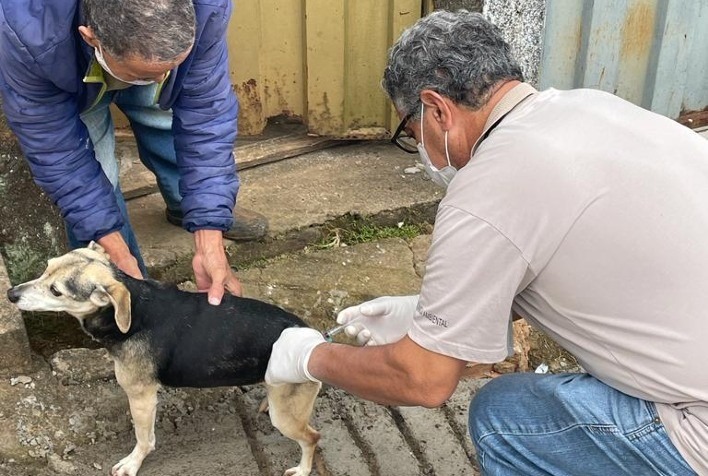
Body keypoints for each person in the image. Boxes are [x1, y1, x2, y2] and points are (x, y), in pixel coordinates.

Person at [265, 10, 707, 476]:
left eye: (411, 134)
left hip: (698, 426)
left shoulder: (488, 187)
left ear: (437, 110)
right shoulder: (593, 107)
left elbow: (424, 380)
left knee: (505, 417)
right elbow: (582, 257)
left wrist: (309, 357)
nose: (421, 149)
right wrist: (427, 313)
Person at [0, 0, 268, 305]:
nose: (160, 81)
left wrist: (210, 234)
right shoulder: (27, 33)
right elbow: (56, 149)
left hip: (127, 50)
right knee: (99, 162)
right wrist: (112, 251)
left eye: (169, 67)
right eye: (146, 73)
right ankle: (127, 283)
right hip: (59, 59)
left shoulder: (208, 7)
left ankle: (190, 208)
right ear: (91, 38)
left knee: (161, 113)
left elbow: (205, 115)